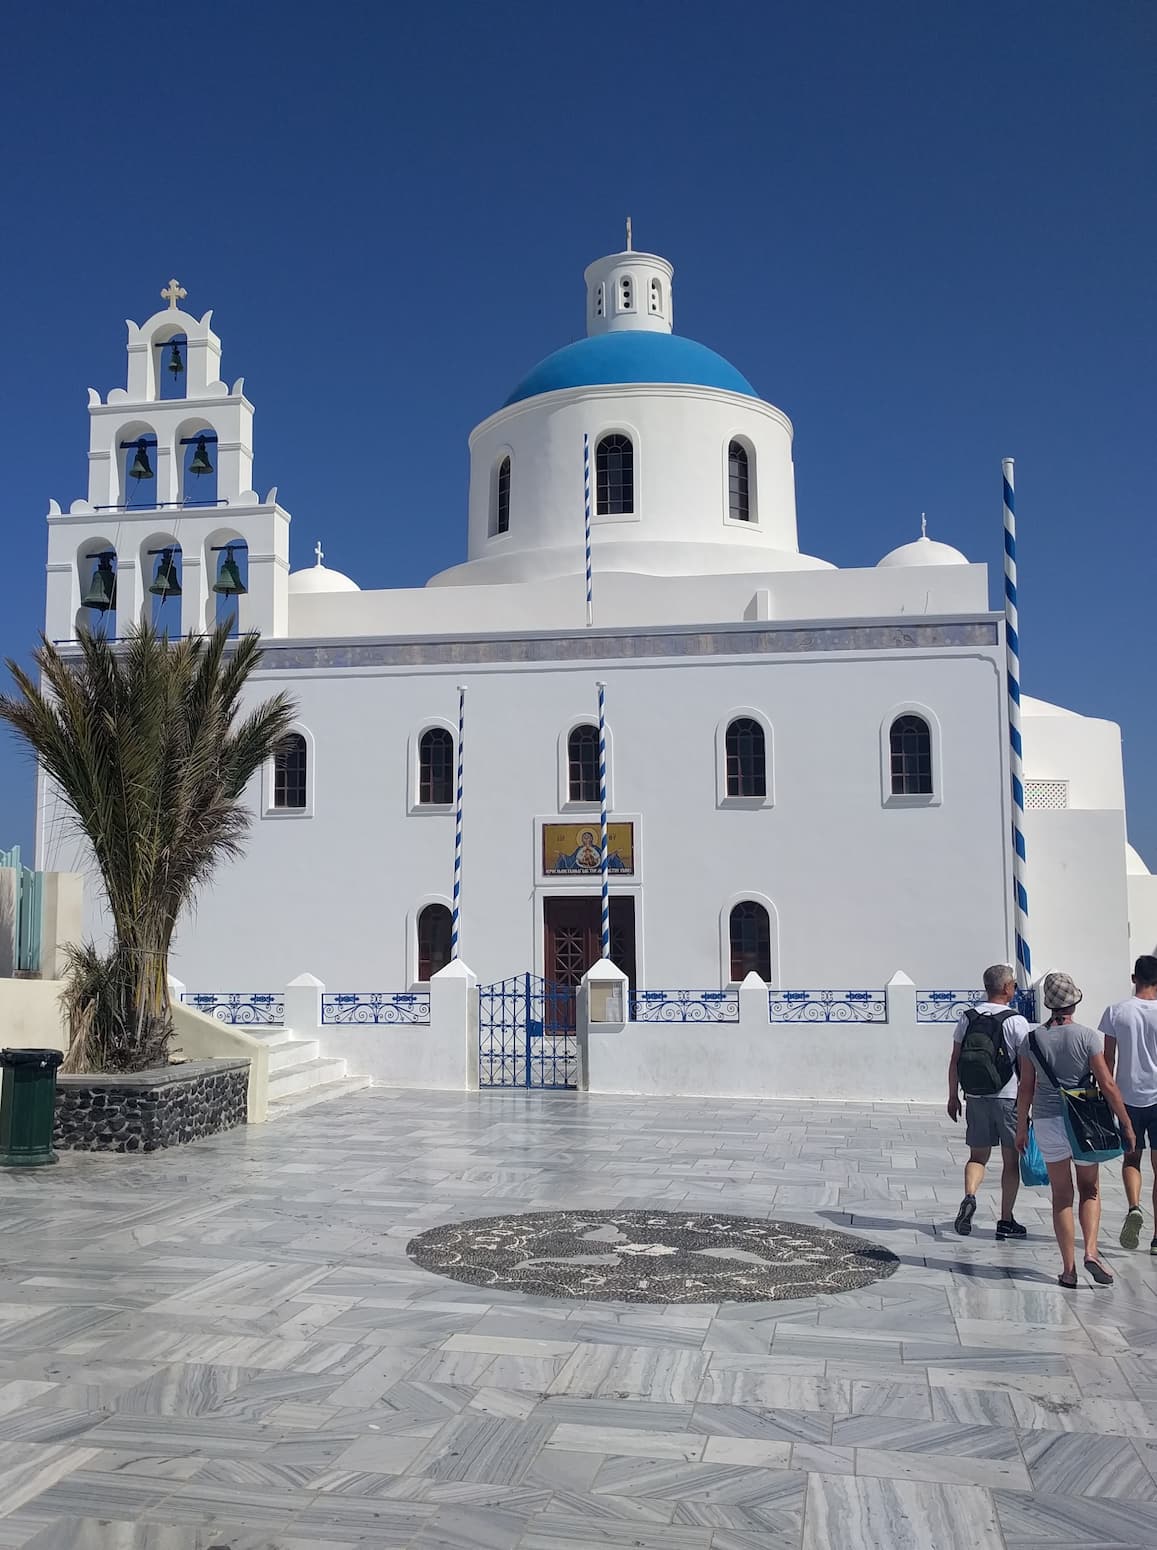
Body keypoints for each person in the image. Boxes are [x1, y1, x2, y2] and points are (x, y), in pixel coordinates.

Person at [1016, 970, 1135, 1288]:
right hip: (1084, 1121)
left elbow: (1026, 1086)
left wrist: (1020, 1128)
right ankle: (1092, 1252)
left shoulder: (1032, 1039)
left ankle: (1068, 1269)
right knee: (1090, 1189)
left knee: (1061, 1196)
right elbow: (1107, 1083)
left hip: (1047, 1120)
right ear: (1074, 1003)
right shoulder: (1086, 1037)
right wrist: (1125, 1122)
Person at [947, 963, 1031, 1239]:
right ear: (1007, 988)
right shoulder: (1015, 1021)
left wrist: (952, 1096)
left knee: (977, 1157)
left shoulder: (968, 1017)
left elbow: (955, 1059)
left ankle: (970, 1196)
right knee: (1010, 1161)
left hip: (975, 1096)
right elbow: (1025, 1065)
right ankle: (1006, 1220)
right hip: (1007, 1098)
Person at [1099, 954, 1157, 1251]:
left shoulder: (1116, 1011)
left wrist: (1109, 1096)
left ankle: (1134, 1206)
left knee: (1131, 1158)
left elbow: (1107, 1059)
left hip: (1127, 1098)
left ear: (1134, 979)